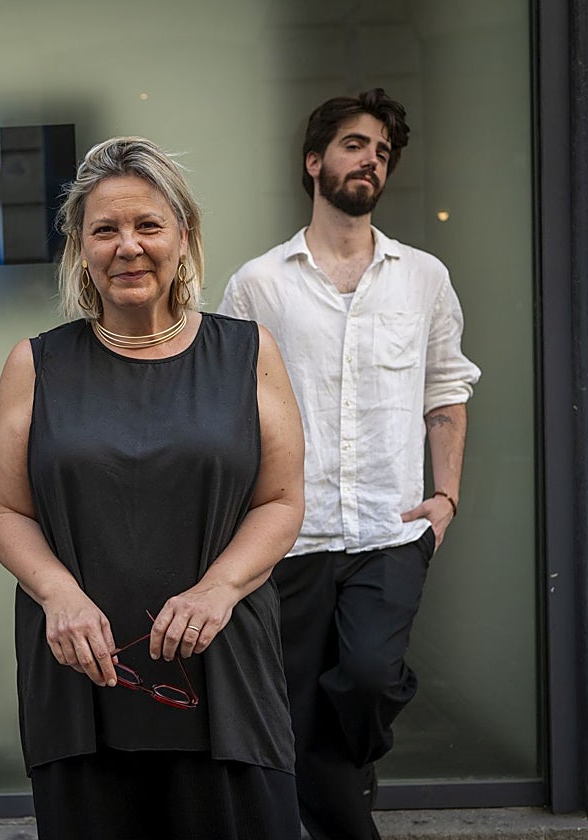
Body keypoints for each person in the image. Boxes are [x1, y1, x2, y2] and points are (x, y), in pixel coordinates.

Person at [0, 136, 306, 839]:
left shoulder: (249, 352)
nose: (128, 247)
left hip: (224, 673)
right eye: (105, 229)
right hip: (82, 673)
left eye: (148, 225)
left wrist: (219, 587)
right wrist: (58, 595)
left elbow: (280, 501)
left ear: (182, 236)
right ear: (80, 247)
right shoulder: (36, 364)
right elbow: (7, 510)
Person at [218, 89, 481, 840]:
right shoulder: (258, 284)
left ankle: (341, 798)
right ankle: (342, 805)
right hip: (292, 535)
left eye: (383, 153)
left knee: (367, 676)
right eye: (355, 145)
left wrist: (447, 499)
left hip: (390, 528)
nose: (370, 160)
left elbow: (446, 389)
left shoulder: (422, 276)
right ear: (315, 161)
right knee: (298, 713)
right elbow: (235, 408)